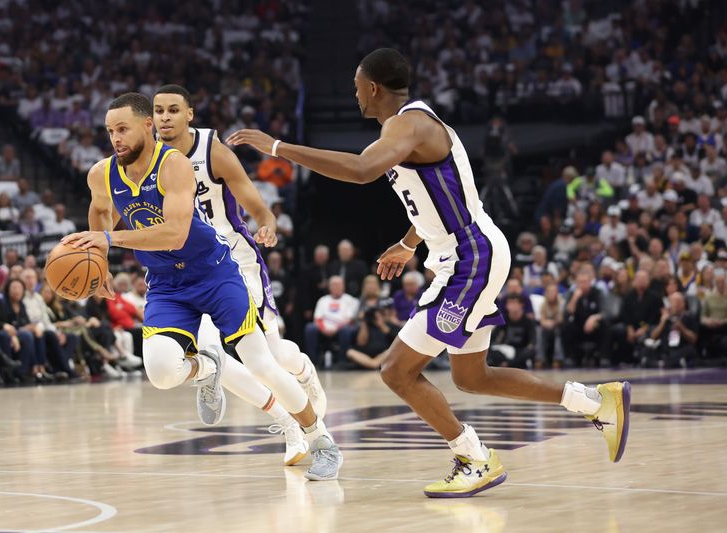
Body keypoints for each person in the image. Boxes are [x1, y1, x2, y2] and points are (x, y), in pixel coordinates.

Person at [228, 48, 630, 497]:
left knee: (396, 371)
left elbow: (362, 170)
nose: (354, 93)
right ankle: (595, 401)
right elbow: (440, 199)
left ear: (373, 87)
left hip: (470, 257)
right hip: (463, 254)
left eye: (356, 86)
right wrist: (407, 242)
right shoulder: (404, 126)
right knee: (472, 377)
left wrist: (278, 148)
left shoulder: (410, 123)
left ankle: (473, 457)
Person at [62, 93, 341, 480]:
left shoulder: (175, 165)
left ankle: (321, 438)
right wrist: (100, 261)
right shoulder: (101, 173)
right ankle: (207, 367)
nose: (116, 138)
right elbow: (100, 209)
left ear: (146, 127)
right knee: (160, 372)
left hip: (214, 271)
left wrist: (111, 241)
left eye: (123, 129)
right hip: (166, 283)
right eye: (110, 131)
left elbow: (175, 233)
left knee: (262, 362)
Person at [153, 85, 327, 466]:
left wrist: (267, 223)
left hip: (235, 261)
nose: (164, 117)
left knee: (271, 356)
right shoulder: (147, 157)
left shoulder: (210, 149)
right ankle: (287, 422)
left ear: (189, 115)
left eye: (172, 110)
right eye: (158, 111)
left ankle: (304, 373)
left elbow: (253, 200)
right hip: (189, 271)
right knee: (211, 355)